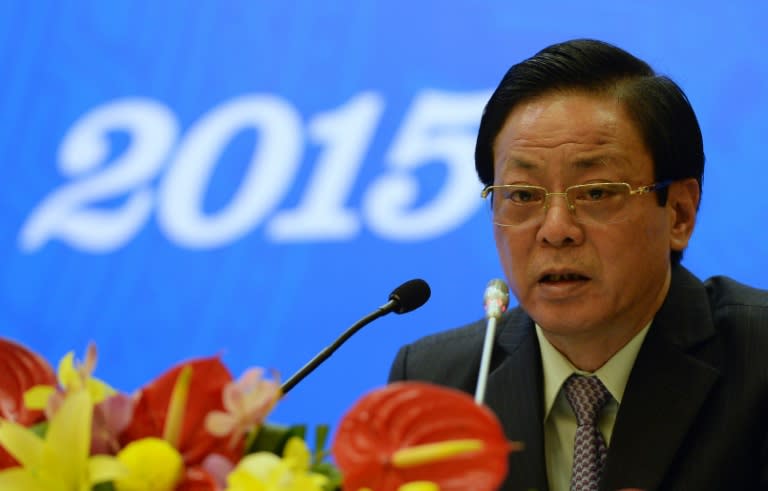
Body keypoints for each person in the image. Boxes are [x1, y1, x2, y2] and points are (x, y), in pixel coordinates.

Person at [388, 39, 768, 491]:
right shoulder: (438, 384)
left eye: (595, 192)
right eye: (523, 195)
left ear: (679, 214)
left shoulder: (758, 362)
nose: (555, 229)